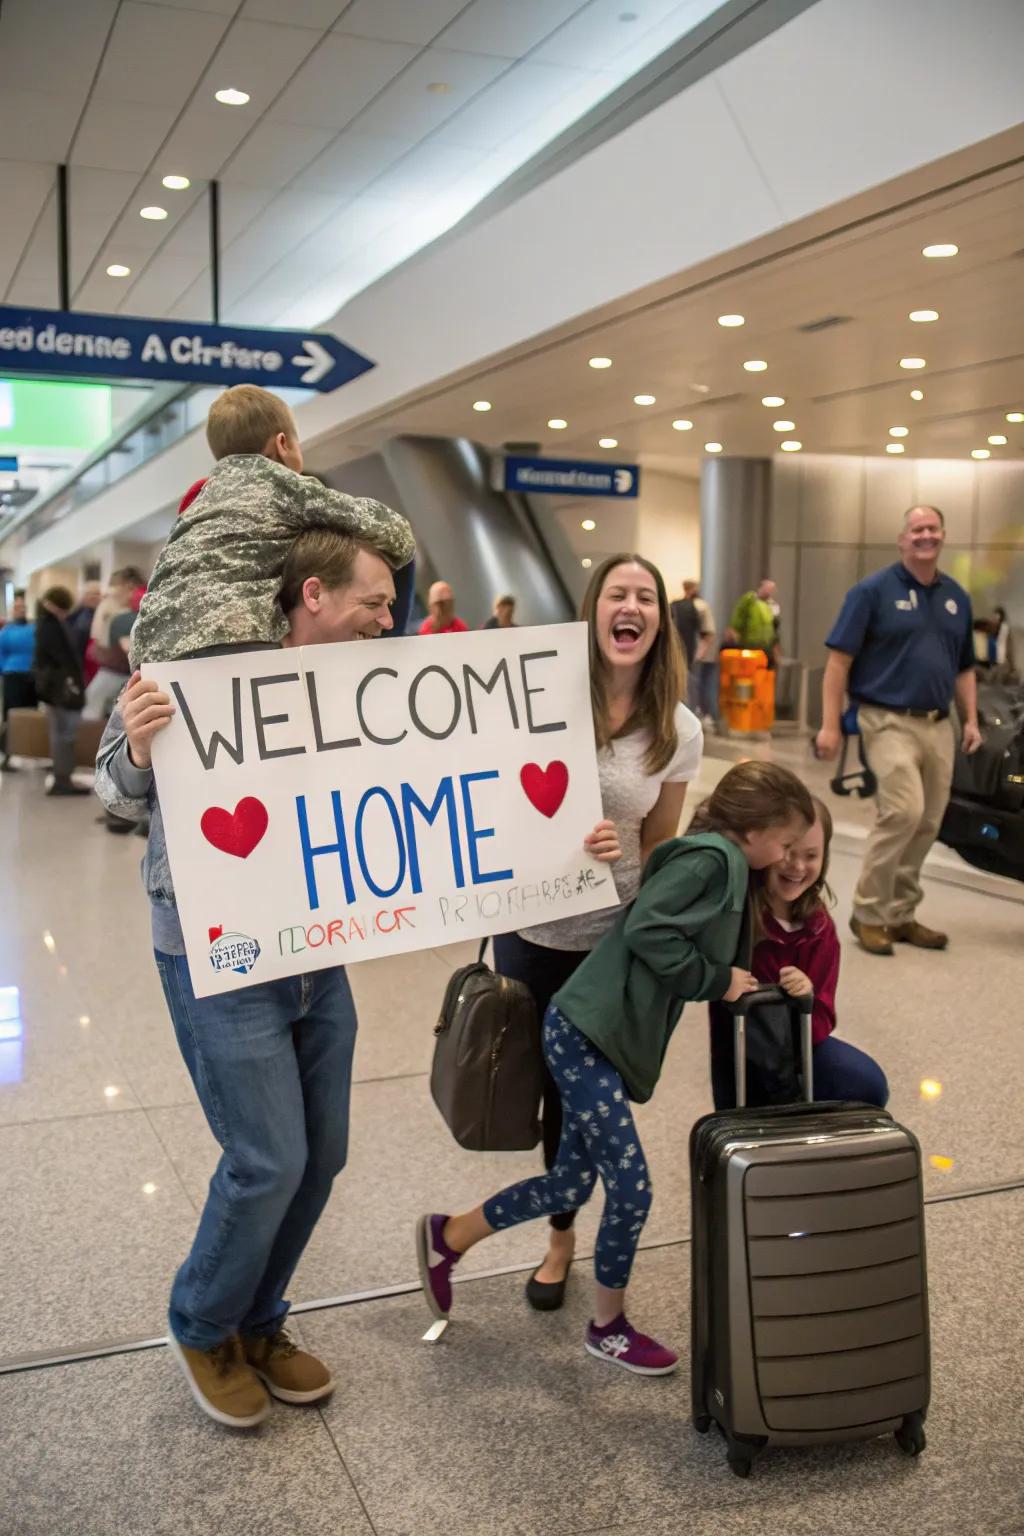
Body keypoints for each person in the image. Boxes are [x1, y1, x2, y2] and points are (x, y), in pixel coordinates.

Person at [94, 526, 407, 1430]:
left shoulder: (372, 687)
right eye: (375, 601)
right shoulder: (203, 665)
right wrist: (142, 747)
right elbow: (114, 793)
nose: (387, 619)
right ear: (314, 596)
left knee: (322, 1155)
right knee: (268, 1159)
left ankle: (260, 1321)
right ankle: (201, 1321)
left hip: (316, 953)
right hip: (215, 952)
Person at [417, 762, 815, 1373]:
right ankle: (608, 1326)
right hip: (586, 1035)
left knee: (573, 1184)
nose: (787, 857)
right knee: (632, 1187)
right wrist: (714, 979)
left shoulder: (715, 862)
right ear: (754, 831)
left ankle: (449, 1237)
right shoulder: (716, 862)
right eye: (785, 843)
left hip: (591, 1032)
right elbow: (653, 929)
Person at [490, 553, 703, 1313]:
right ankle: (552, 1233)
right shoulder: (543, 699)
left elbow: (663, 842)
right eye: (619, 593)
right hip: (533, 928)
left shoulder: (678, 727)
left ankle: (559, 1235)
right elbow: (495, 804)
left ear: (660, 620)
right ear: (595, 610)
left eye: (647, 596)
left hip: (611, 943)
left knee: (587, 1100)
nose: (634, 606)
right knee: (542, 1090)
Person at [129, 384, 414, 666]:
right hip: (233, 636)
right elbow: (395, 532)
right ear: (283, 444)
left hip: (152, 650)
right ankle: (392, 651)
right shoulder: (279, 483)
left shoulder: (199, 501)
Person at [816, 505, 981, 956]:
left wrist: (970, 718)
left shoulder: (956, 597)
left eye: (932, 528)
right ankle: (868, 912)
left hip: (937, 721)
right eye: (917, 529)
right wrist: (830, 725)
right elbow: (837, 663)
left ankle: (902, 913)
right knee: (903, 812)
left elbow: (965, 666)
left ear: (943, 535)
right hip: (886, 719)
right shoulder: (872, 591)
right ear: (902, 538)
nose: (925, 535)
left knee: (929, 821)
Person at [709, 795, 888, 1108]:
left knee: (869, 1085)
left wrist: (804, 994)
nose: (798, 866)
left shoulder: (819, 929)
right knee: (746, 1120)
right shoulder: (738, 914)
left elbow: (822, 1017)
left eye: (811, 855)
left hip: (799, 1052)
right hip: (741, 1057)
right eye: (788, 851)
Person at [32, 586, 88, 797]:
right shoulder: (51, 625)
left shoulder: (47, 623)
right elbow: (62, 659)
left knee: (60, 733)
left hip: (54, 688)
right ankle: (62, 779)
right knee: (65, 734)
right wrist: (74, 682)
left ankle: (62, 776)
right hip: (61, 689)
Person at [83, 568, 145, 721]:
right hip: (118, 672)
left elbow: (129, 650)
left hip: (116, 672)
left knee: (92, 713)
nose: (112, 592)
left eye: (115, 586)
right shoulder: (119, 612)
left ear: (129, 586)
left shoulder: (126, 616)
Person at [0, 590, 37, 771]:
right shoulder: (6, 631)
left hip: (32, 675)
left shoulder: (34, 629)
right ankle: (7, 755)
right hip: (12, 674)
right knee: (11, 715)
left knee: (30, 713)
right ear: (12, 610)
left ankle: (27, 751)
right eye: (17, 608)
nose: (21, 610)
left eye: (23, 607)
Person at [726, 577, 779, 665]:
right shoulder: (750, 599)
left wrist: (775, 647)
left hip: (766, 647)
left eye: (772, 589)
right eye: (768, 588)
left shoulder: (772, 606)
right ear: (761, 587)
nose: (769, 591)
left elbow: (774, 628)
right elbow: (739, 615)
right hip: (749, 645)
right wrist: (733, 630)